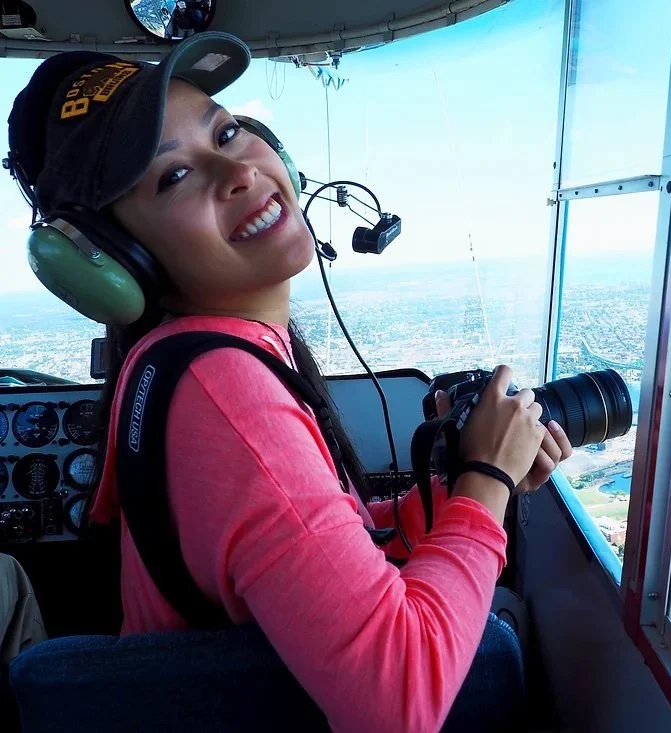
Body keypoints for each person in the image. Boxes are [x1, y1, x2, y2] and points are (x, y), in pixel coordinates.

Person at [4, 31, 572, 732]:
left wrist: (458, 493)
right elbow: (399, 698)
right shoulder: (225, 397)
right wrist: (487, 478)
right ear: (116, 261)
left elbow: (323, 545)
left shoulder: (186, 362)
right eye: (172, 175)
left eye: (228, 130)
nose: (236, 170)